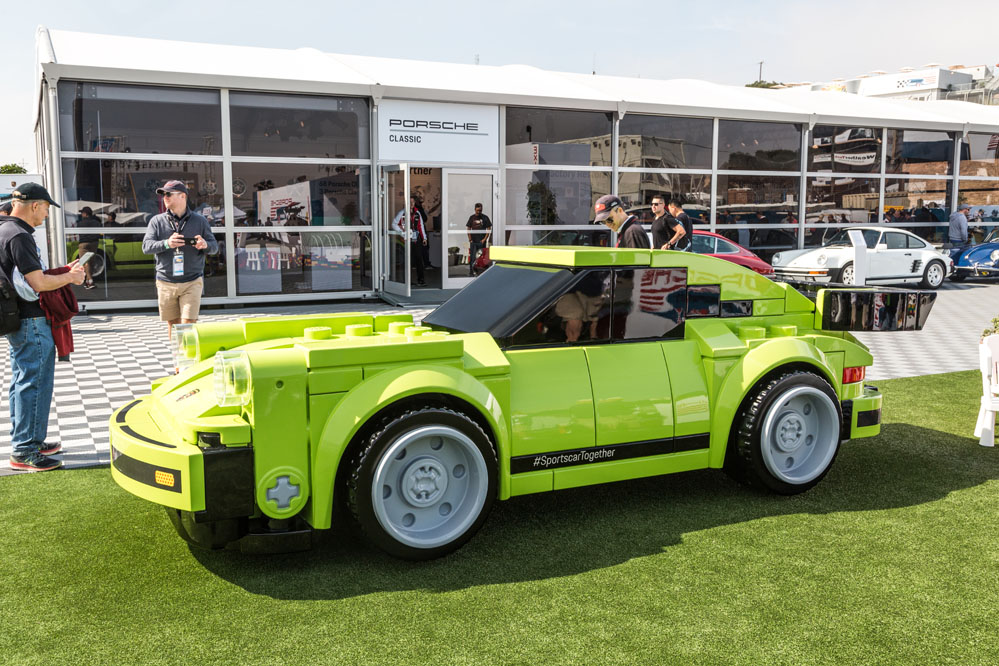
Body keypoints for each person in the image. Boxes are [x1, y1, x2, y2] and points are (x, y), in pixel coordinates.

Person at [1, 183, 86, 471]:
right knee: (33, 383)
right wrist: (71, 278)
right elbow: (38, 283)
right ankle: (24, 449)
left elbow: (24, 278)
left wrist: (63, 273)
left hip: (17, 318)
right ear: (35, 205)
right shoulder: (19, 235)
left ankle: (30, 441)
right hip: (31, 320)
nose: (47, 215)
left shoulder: (5, 229)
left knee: (22, 382)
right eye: (47, 208)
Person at [141, 180, 218, 340]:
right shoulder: (157, 221)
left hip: (192, 281)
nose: (165, 197)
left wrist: (205, 245)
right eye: (163, 194)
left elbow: (214, 247)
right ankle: (177, 355)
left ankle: (187, 355)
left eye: (168, 194)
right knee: (174, 325)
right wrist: (166, 243)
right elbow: (146, 247)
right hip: (165, 282)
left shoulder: (200, 221)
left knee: (188, 323)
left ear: (183, 196)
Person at [392, 195, 427, 286]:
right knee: (408, 261)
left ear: (415, 203)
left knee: (419, 260)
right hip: (407, 240)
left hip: (417, 240)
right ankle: (407, 281)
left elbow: (421, 226)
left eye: (413, 202)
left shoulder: (417, 213)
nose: (411, 203)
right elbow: (394, 224)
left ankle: (421, 280)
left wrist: (424, 238)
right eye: (410, 202)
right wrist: (402, 232)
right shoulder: (402, 213)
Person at [77, 206, 99, 289]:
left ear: (85, 214)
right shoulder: (96, 223)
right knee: (91, 262)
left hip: (84, 243)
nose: (81, 215)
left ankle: (90, 281)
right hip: (94, 243)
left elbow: (79, 232)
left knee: (85, 262)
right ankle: (88, 282)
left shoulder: (80, 223)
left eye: (82, 213)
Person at [465, 203, 492, 268]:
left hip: (481, 240)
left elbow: (489, 229)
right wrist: (470, 239)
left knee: (481, 256)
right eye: (477, 210)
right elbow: (468, 228)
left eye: (480, 210)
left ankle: (481, 269)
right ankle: (472, 269)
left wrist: (485, 239)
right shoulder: (472, 217)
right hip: (473, 240)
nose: (479, 212)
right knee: (473, 256)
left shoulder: (485, 217)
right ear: (475, 209)